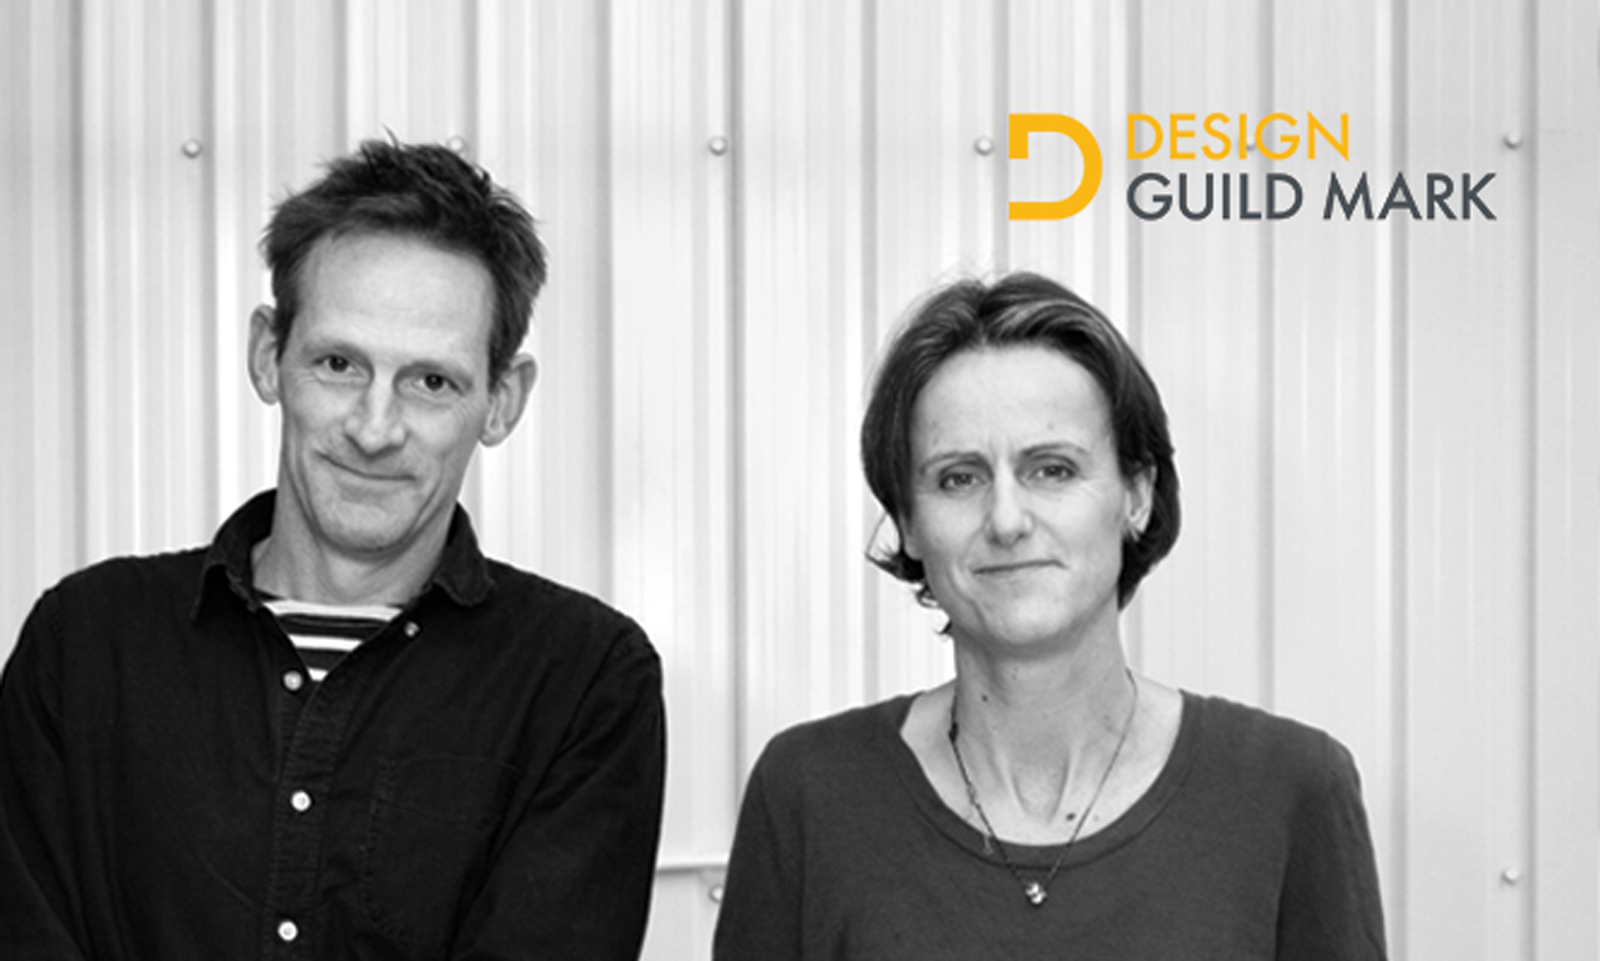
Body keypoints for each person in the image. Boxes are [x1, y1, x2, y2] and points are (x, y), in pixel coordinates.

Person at [0, 140, 666, 960]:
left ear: (502, 400)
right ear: (267, 356)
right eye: (340, 363)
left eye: (431, 381)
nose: (374, 428)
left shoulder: (585, 682)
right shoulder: (83, 643)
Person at [713, 272, 1386, 959]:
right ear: (908, 522)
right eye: (959, 477)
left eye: (1052, 469)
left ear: (1136, 495)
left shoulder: (1289, 790)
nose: (1006, 520)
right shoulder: (810, 793)